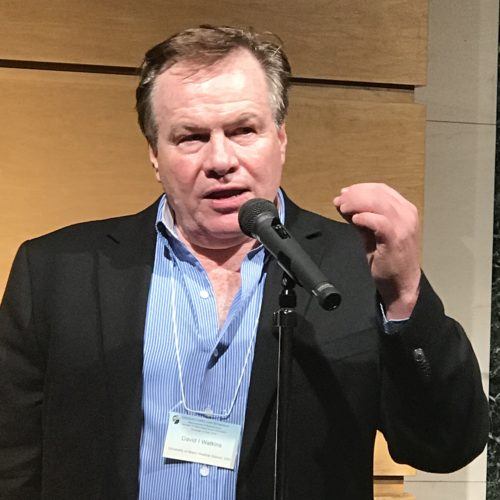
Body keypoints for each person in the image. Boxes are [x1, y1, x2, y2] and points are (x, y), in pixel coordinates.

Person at [0, 25, 488, 500]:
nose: (220, 160)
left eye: (243, 130)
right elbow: (12, 462)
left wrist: (404, 295)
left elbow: (444, 445)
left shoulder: (354, 264)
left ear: (280, 138)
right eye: (191, 136)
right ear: (154, 154)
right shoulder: (55, 272)